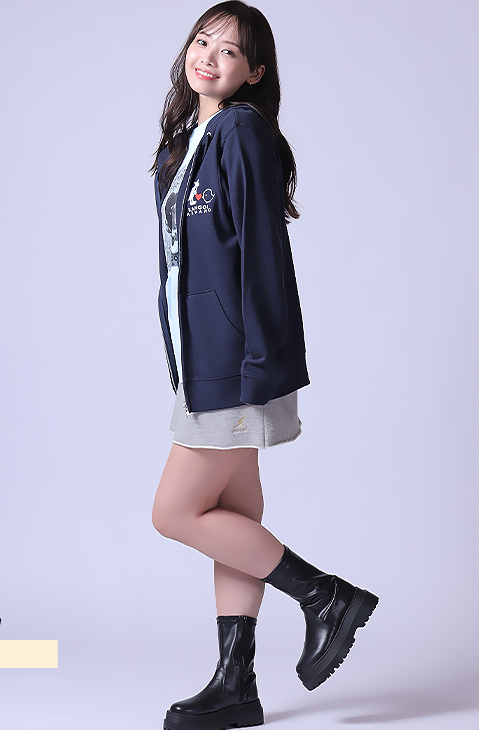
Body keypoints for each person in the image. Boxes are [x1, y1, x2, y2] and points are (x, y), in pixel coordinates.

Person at [149, 3, 379, 728]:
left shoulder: (242, 131)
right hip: (206, 361)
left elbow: (262, 253)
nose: (209, 56)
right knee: (235, 516)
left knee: (175, 513)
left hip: (237, 364)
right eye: (202, 40)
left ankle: (325, 597)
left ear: (255, 71)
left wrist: (258, 362)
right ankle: (236, 685)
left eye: (229, 50)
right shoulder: (190, 142)